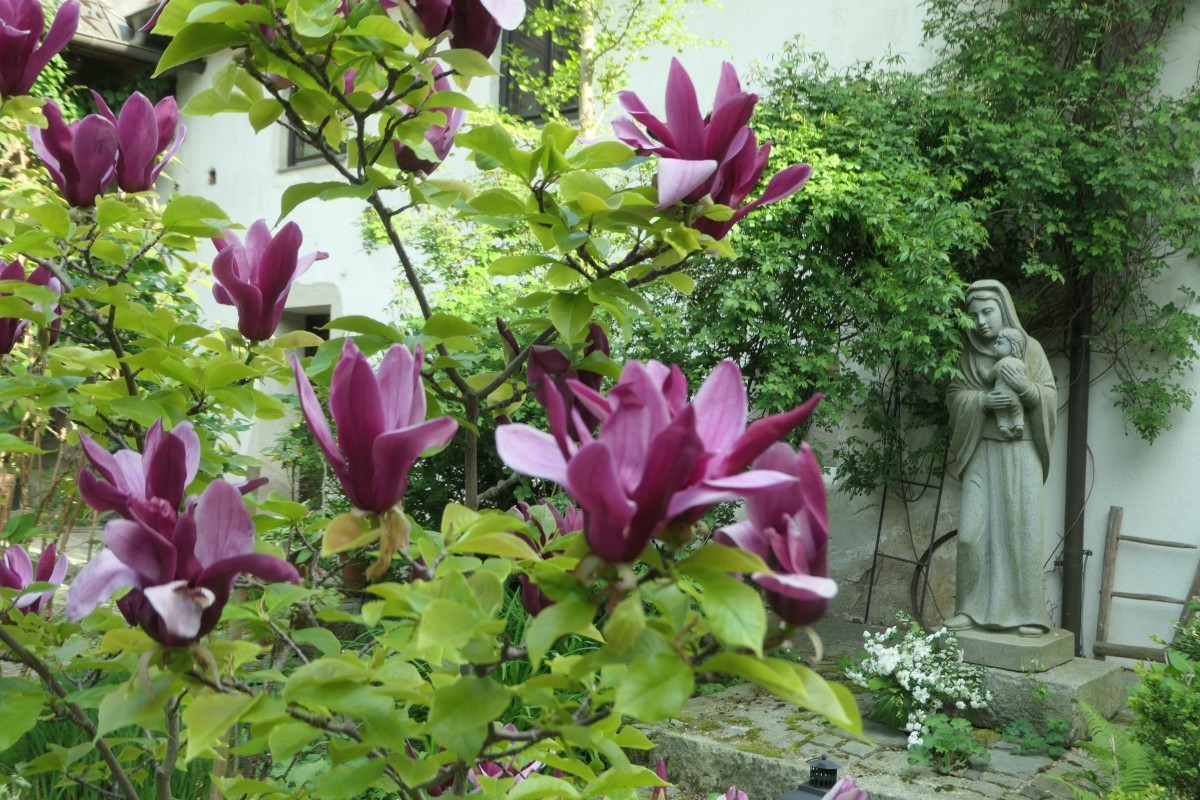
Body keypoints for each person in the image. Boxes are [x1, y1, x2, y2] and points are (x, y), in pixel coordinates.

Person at [945, 280, 1057, 637]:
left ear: (1003, 310)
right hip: (983, 451)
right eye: (974, 314)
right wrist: (982, 401)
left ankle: (1030, 615)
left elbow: (1049, 397)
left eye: (987, 311)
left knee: (1024, 534)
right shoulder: (967, 356)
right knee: (970, 535)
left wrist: (1025, 390)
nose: (981, 321)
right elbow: (955, 396)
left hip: (1022, 452)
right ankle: (969, 609)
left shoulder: (1031, 350)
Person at [987, 327, 1028, 439]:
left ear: (1013, 345)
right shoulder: (1021, 364)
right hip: (1014, 396)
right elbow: (1024, 379)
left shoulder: (999, 364)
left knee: (1001, 415)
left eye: (999, 343)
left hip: (1000, 396)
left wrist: (982, 372)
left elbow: (989, 379)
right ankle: (1019, 425)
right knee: (1017, 411)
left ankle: (1003, 428)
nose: (994, 346)